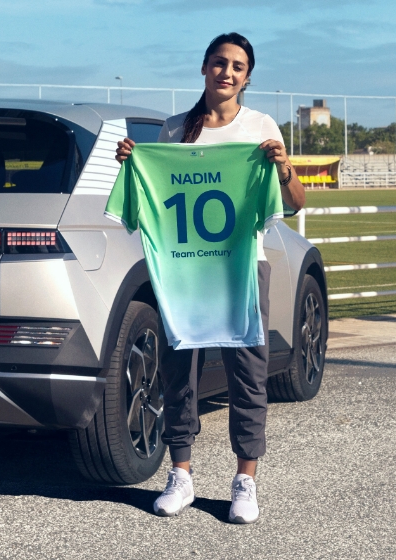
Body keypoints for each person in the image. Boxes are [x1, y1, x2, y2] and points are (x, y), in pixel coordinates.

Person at [114, 32, 306, 524]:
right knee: (181, 372)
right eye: (220, 63)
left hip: (242, 267)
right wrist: (135, 164)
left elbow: (297, 202)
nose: (228, 72)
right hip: (184, 270)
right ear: (203, 68)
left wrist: (283, 168)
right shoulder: (175, 130)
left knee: (249, 372)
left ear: (247, 77)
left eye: (238, 67)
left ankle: (246, 480)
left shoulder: (261, 126)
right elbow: (152, 197)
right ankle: (181, 474)